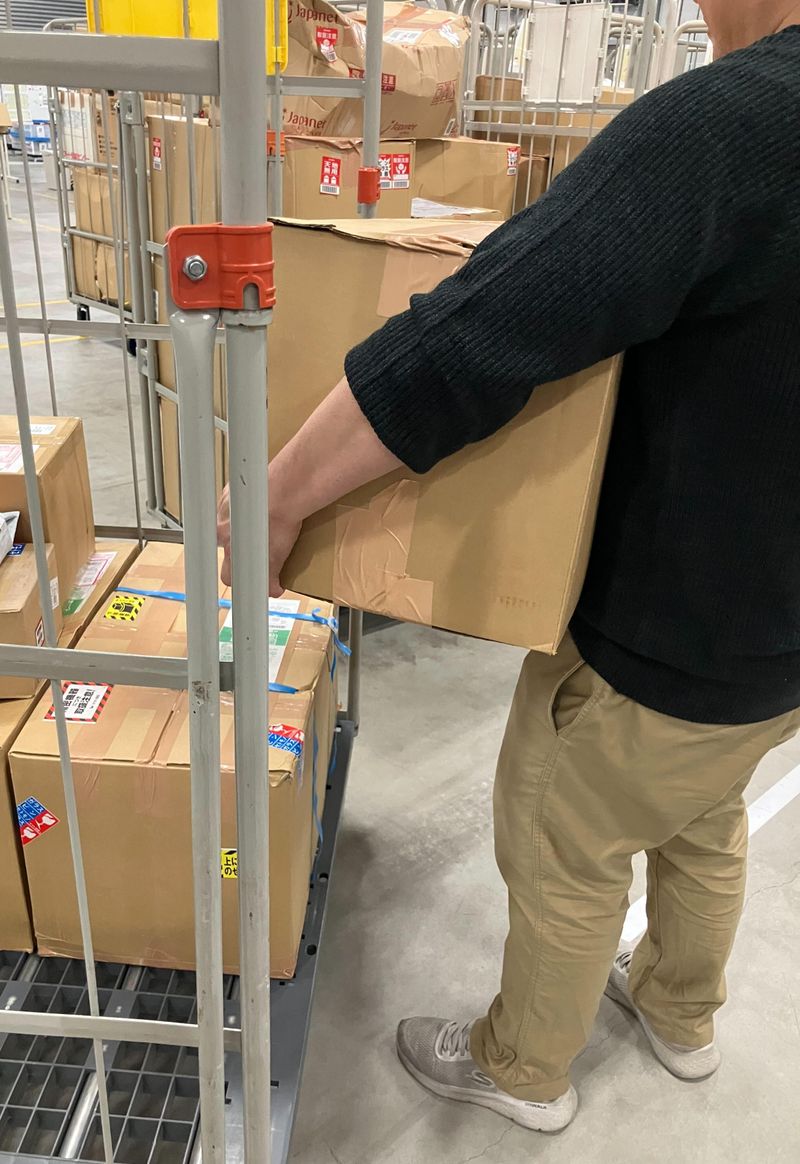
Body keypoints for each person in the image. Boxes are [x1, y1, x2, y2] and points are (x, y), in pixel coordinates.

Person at [217, 0, 800, 1133]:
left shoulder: (736, 123)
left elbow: (483, 329)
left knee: (563, 843)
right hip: (771, 648)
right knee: (700, 814)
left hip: (668, 627)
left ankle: (522, 1068)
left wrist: (280, 494)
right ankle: (680, 1013)